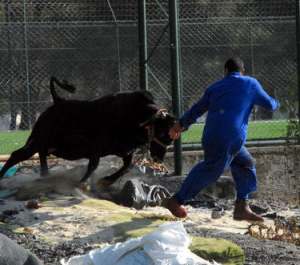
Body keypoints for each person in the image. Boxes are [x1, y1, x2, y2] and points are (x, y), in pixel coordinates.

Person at [163, 57, 279, 222]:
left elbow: (197, 109)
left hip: (212, 135)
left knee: (245, 163)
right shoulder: (250, 83)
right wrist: (276, 102)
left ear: (225, 72)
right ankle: (176, 200)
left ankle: (241, 207)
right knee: (210, 169)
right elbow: (270, 105)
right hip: (230, 137)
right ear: (242, 71)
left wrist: (179, 125)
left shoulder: (215, 87)